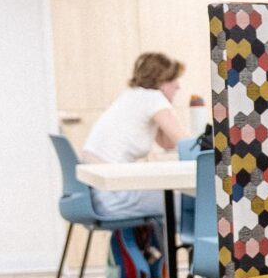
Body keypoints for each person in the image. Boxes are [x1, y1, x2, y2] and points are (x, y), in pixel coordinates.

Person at [80, 51, 188, 218]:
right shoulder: (153, 98)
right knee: (190, 204)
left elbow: (168, 144)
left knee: (172, 202)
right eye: (173, 79)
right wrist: (167, 107)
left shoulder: (132, 96)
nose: (178, 86)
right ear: (162, 82)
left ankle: (156, 244)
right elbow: (185, 143)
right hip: (115, 196)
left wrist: (166, 110)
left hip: (97, 193)